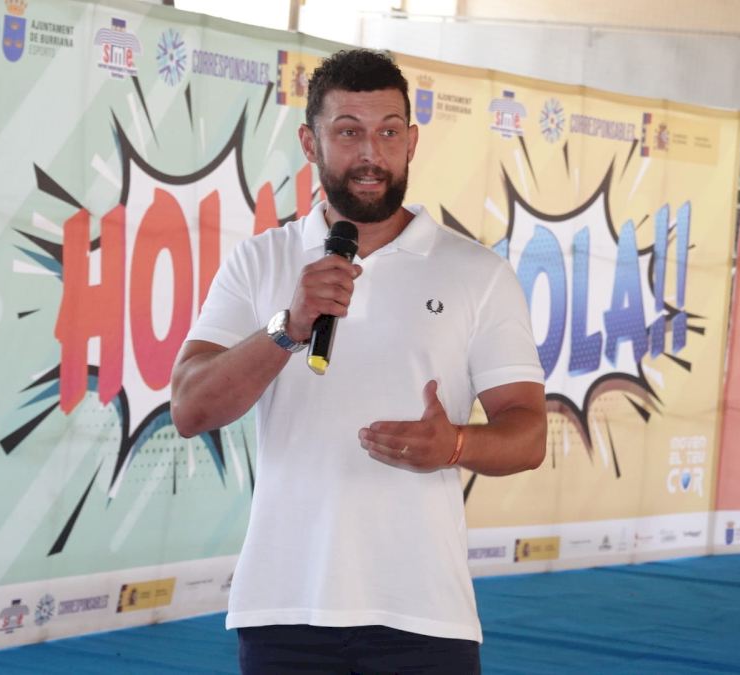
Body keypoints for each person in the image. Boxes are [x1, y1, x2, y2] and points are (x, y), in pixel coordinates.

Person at [170, 49, 546, 673]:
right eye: (348, 132)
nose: (372, 153)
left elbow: (528, 435)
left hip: (424, 615)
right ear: (309, 143)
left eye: (389, 132)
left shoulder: (479, 273)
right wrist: (288, 328)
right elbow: (190, 408)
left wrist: (455, 445)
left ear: (412, 142)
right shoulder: (260, 260)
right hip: (284, 607)